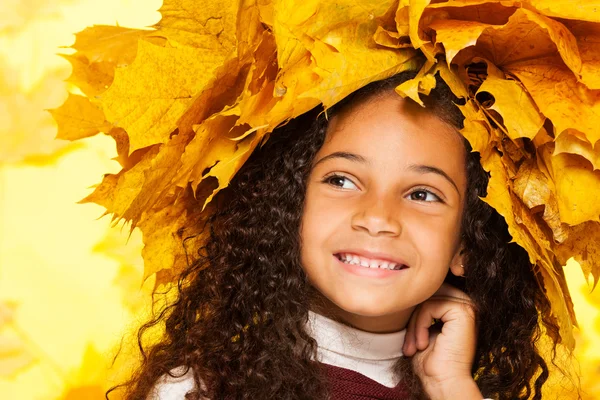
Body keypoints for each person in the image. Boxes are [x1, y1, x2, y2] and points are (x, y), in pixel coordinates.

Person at [108, 70, 566, 400]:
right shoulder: (201, 389)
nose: (377, 216)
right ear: (289, 208)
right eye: (342, 180)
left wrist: (450, 386)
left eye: (423, 194)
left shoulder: (455, 387)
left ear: (465, 244)